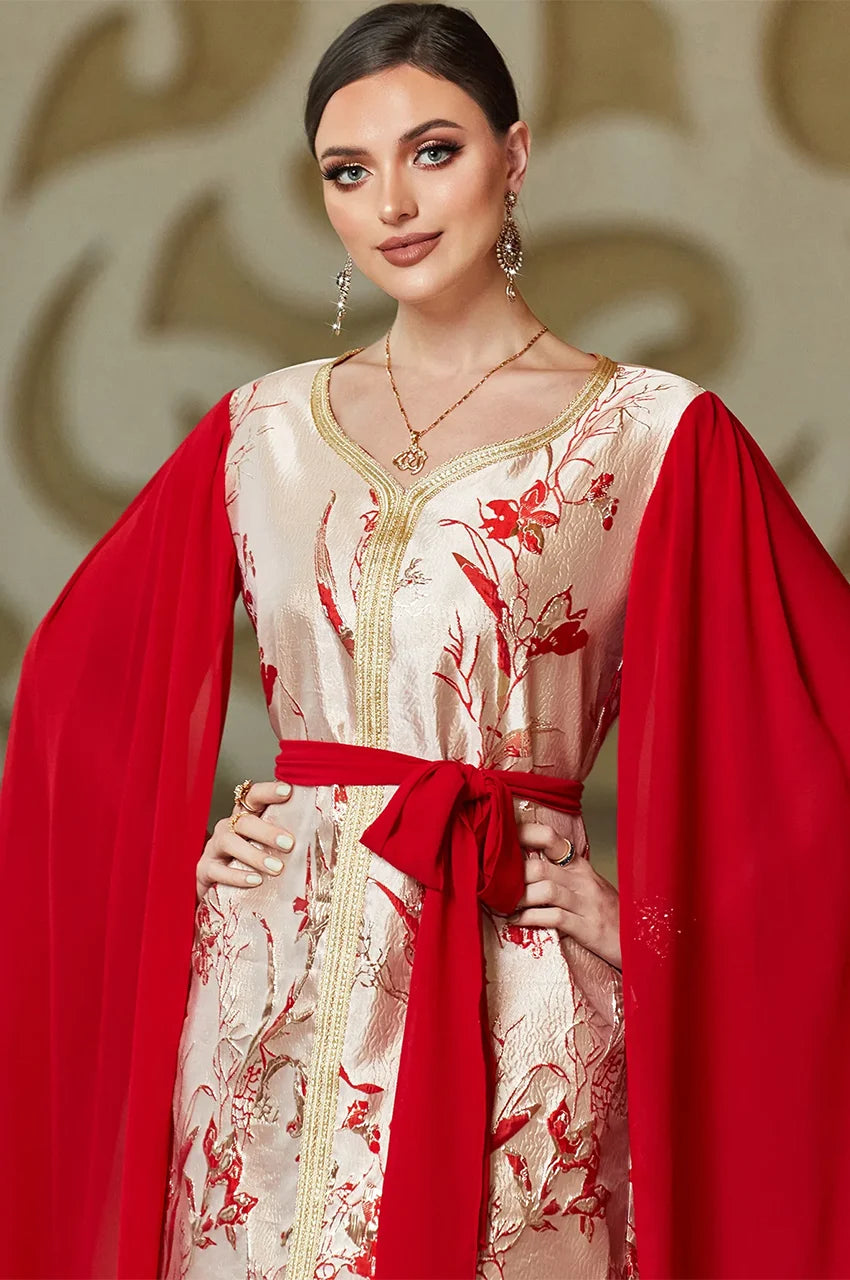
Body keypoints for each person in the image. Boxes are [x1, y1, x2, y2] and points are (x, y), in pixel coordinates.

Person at [2, 3, 850, 1278]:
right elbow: (75, 685)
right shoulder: (262, 431)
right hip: (269, 999)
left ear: (516, 158)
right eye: (349, 171)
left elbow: (813, 741)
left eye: (433, 151)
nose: (391, 200)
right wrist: (197, 846)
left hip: (512, 988)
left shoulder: (650, 435)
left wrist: (654, 930)